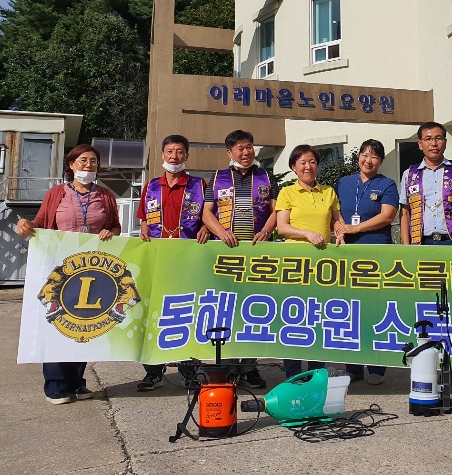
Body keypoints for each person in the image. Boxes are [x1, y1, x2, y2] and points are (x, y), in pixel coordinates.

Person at [17, 144, 121, 405]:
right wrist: (25, 224)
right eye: (83, 160)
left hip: (92, 268)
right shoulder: (56, 193)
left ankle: (76, 381)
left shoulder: (106, 195)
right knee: (57, 322)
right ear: (71, 165)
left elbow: (115, 227)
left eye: (93, 161)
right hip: (59, 267)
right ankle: (55, 385)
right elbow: (41, 223)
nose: (88, 165)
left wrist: (110, 232)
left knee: (83, 323)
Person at [200, 129, 279, 389]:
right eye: (240, 148)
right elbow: (207, 213)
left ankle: (250, 366)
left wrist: (266, 231)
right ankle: (230, 365)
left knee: (255, 309)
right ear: (229, 153)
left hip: (258, 254)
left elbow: (276, 210)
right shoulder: (217, 177)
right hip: (228, 254)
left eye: (249, 147)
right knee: (228, 309)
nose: (246, 152)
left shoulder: (266, 176)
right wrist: (221, 232)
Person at [134, 134, 206, 392]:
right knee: (155, 314)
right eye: (169, 152)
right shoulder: (152, 186)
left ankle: (189, 372)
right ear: (162, 155)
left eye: (179, 152)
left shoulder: (198, 185)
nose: (174, 157)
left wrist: (206, 229)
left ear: (186, 155)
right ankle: (153, 371)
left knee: (187, 313)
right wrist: (144, 226)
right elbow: (143, 217)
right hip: (158, 259)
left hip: (188, 258)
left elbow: (209, 216)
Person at [275, 144, 345, 378]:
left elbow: (337, 221)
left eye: (312, 162)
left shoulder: (328, 192)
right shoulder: (287, 192)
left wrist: (340, 232)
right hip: (295, 265)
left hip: (323, 265)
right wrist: (306, 233)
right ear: (293, 167)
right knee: (293, 318)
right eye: (302, 162)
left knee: (318, 318)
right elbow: (282, 227)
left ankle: (316, 371)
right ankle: (293, 373)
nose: (308, 167)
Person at [334, 139, 399, 385]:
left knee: (374, 310)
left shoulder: (387, 184)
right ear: (358, 157)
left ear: (380, 161)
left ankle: (376, 367)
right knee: (350, 310)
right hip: (348, 254)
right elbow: (334, 211)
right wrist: (339, 227)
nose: (367, 160)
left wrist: (356, 228)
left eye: (374, 156)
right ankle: (353, 367)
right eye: (364, 154)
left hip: (376, 252)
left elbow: (387, 216)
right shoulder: (344, 182)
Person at [400, 122, 452, 246]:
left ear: (445, 142)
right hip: (421, 243)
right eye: (428, 139)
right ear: (420, 144)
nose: (433, 143)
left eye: (438, 138)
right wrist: (406, 246)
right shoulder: (409, 174)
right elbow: (405, 212)